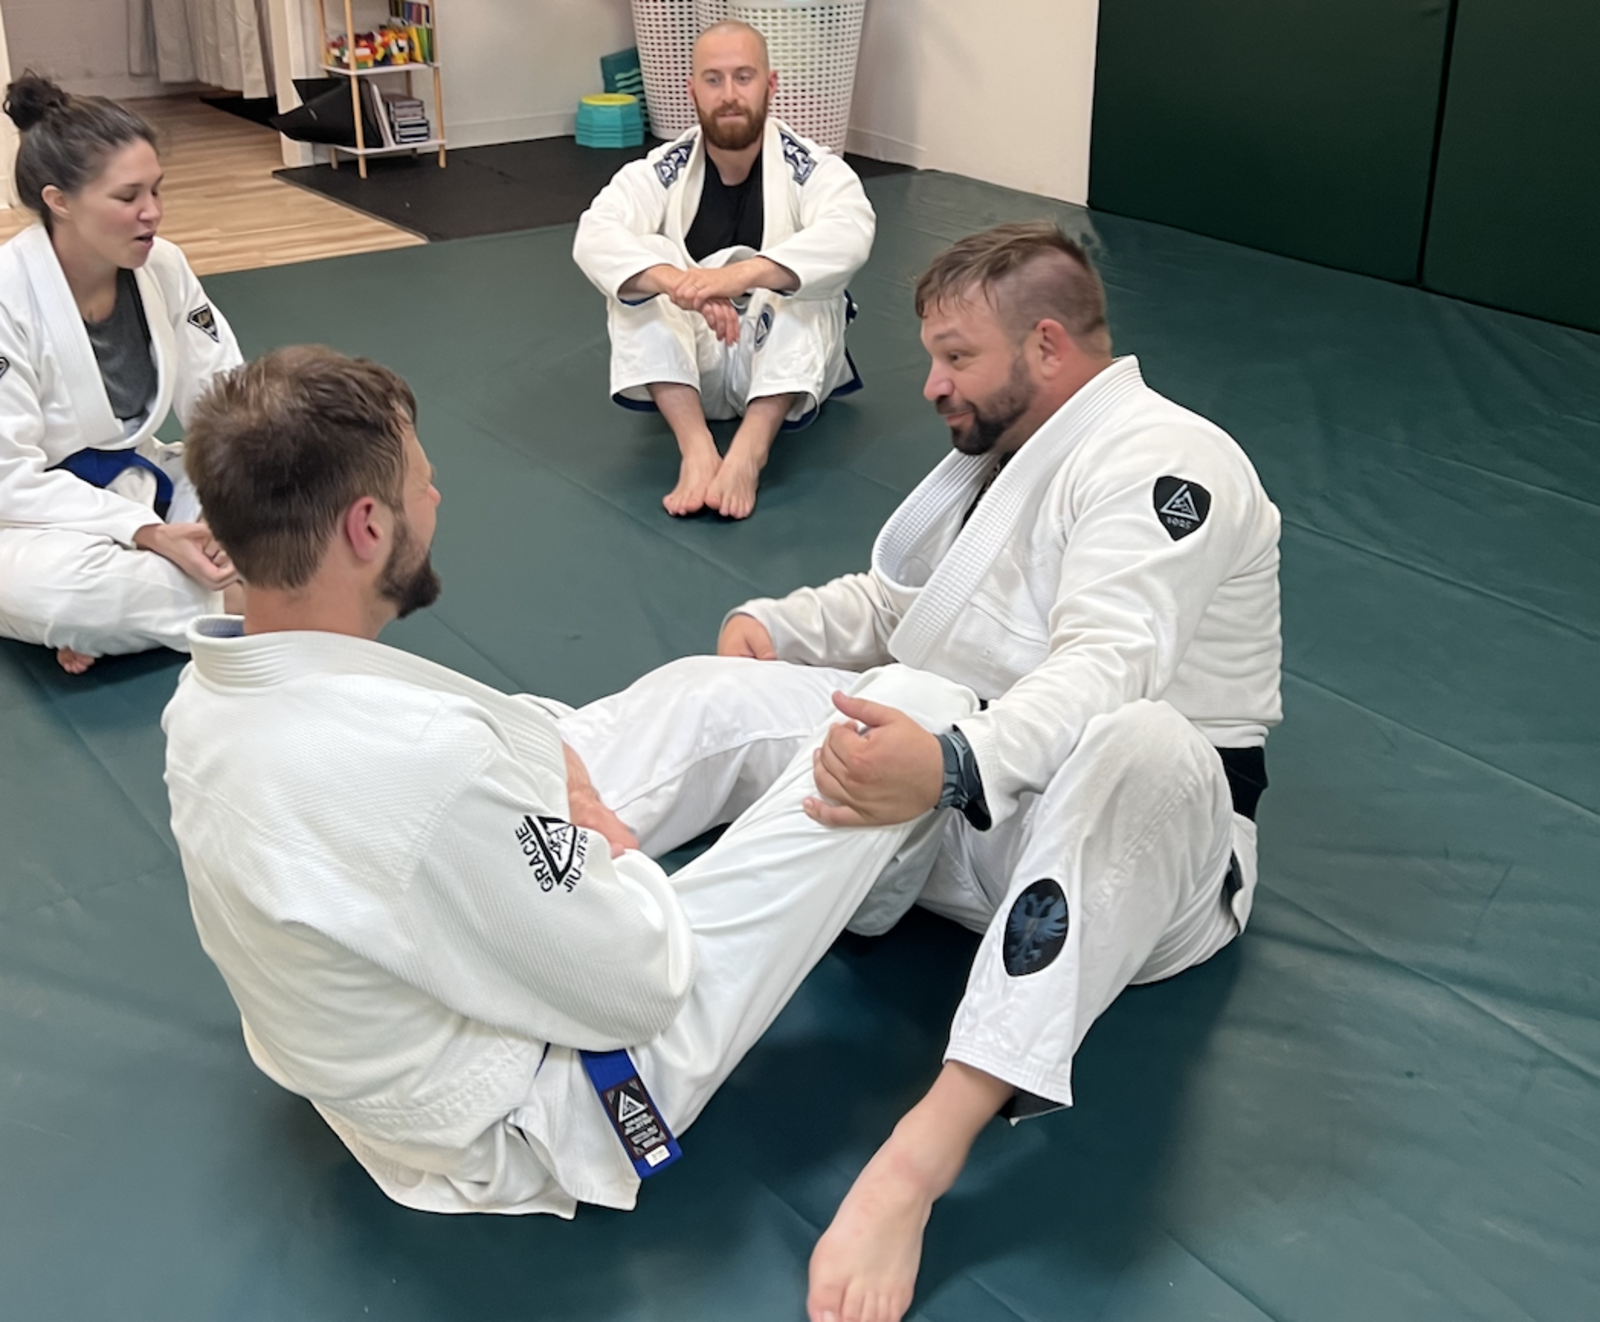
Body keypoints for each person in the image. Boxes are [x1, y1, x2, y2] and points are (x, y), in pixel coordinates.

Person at [161, 344, 980, 1217]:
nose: (436, 499)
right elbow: (639, 985)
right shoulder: (423, 763)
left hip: (384, 1022)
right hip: (541, 1109)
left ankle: (848, 842)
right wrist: (599, 840)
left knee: (697, 696)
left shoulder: (204, 701)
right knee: (915, 705)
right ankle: (872, 890)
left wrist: (548, 783)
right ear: (367, 528)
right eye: (422, 486)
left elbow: (437, 793)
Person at [652, 221, 1282, 1321]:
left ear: (1046, 345)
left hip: (1140, 862)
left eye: (955, 356)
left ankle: (917, 1161)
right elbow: (913, 609)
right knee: (729, 694)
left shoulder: (1166, 458)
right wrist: (779, 628)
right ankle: (583, 891)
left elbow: (1109, 664)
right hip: (980, 801)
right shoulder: (1009, 454)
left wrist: (950, 763)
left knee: (1135, 738)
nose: (932, 384)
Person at [572, 20, 874, 520]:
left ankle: (748, 452)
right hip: (693, 365)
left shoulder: (811, 167)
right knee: (644, 260)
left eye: (743, 77)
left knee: (805, 274)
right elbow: (595, 232)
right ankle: (696, 449)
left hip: (782, 368)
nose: (729, 94)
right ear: (692, 90)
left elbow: (852, 229)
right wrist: (677, 283)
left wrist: (739, 276)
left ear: (770, 85)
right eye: (713, 79)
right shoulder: (663, 169)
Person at [0, 73, 244, 673]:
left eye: (156, 190)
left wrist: (220, 514)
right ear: (59, 201)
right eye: (128, 196)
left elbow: (227, 403)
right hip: (33, 519)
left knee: (291, 491)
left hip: (142, 481)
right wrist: (145, 531)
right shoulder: (7, 295)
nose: (152, 213)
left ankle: (137, 615)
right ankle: (245, 602)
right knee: (61, 592)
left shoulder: (164, 266)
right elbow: (9, 478)